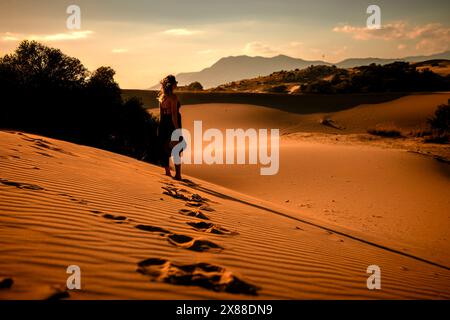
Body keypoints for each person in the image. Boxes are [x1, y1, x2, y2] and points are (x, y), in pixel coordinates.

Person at [157, 75, 182, 180]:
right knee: (177, 148)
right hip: (172, 124)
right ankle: (178, 175)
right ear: (172, 85)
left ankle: (167, 172)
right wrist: (177, 130)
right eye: (175, 83)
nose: (177, 84)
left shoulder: (162, 98)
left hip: (163, 124)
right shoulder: (173, 97)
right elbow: (174, 115)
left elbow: (161, 115)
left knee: (165, 148)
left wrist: (160, 127)